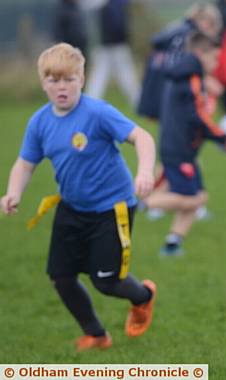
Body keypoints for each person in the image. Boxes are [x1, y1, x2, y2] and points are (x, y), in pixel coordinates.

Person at [0, 43, 157, 351]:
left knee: (106, 282)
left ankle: (144, 297)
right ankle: (97, 334)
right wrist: (13, 192)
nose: (62, 87)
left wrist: (145, 172)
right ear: (43, 82)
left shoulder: (97, 113)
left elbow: (142, 136)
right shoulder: (40, 122)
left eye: (69, 79)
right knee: (60, 276)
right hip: (71, 207)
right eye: (54, 80)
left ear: (82, 79)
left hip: (113, 208)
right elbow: (25, 163)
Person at [144, 32, 226, 256]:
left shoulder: (186, 73)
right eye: (214, 58)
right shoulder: (190, 77)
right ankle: (139, 204)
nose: (216, 64)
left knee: (197, 198)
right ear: (200, 53)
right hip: (179, 150)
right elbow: (197, 117)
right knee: (193, 199)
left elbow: (195, 115)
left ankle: (172, 244)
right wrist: (224, 137)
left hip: (181, 148)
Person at [85, 0, 141, 109]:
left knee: (100, 76)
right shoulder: (114, 5)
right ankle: (138, 102)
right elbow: (118, 25)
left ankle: (91, 102)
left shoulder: (106, 5)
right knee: (124, 75)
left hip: (107, 44)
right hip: (116, 45)